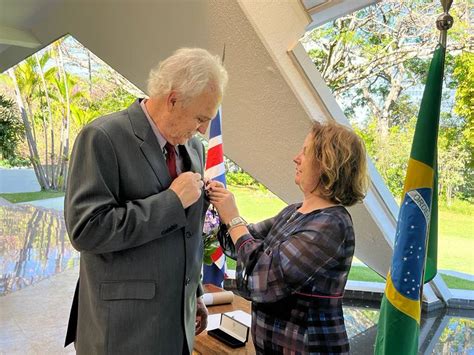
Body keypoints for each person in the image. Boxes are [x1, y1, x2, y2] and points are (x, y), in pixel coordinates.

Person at [64, 48, 228, 354]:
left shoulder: (193, 148)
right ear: (173, 99)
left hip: (176, 324)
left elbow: (186, 235)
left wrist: (193, 294)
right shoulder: (102, 137)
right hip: (123, 330)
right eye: (200, 118)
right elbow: (86, 230)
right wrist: (171, 202)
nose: (204, 130)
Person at [208, 121, 369, 354]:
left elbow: (261, 278)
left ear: (327, 163)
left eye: (305, 151)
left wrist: (233, 219)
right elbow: (242, 245)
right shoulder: (293, 212)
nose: (296, 158)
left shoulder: (332, 225)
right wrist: (219, 211)